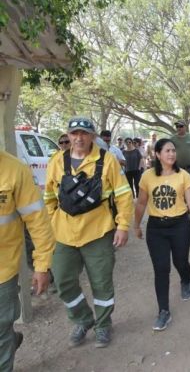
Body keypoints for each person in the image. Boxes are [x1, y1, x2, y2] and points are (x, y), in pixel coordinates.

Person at [44, 116, 133, 348]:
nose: (79, 138)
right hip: (64, 234)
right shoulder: (56, 161)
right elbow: (49, 197)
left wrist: (123, 226)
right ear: (68, 136)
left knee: (101, 282)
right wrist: (53, 221)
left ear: (92, 136)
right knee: (63, 280)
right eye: (74, 134)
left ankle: (103, 325)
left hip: (98, 233)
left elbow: (124, 195)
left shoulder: (108, 160)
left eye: (84, 133)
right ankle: (83, 319)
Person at [134, 138, 190, 331]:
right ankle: (163, 311)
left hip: (180, 225)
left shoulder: (183, 176)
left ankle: (186, 279)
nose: (172, 154)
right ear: (157, 154)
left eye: (173, 150)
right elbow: (140, 203)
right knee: (161, 268)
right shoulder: (147, 176)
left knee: (180, 261)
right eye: (167, 151)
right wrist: (136, 225)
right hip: (156, 228)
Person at [0, 150, 55, 371]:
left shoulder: (14, 170)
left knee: (0, 328)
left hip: (2, 271)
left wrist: (42, 266)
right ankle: (10, 341)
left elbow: (38, 222)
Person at [170, 120, 190, 191]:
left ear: (185, 127)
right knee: (179, 191)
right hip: (178, 169)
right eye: (177, 126)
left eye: (181, 126)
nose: (179, 128)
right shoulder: (172, 139)